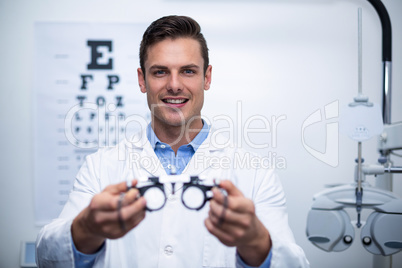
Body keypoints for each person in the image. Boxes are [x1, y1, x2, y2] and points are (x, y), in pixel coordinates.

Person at [36, 15, 309, 267]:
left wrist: (256, 241)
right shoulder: (100, 167)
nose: (175, 85)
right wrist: (86, 228)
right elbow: (48, 258)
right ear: (142, 80)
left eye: (188, 71)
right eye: (160, 72)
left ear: (207, 77)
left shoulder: (255, 172)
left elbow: (294, 262)